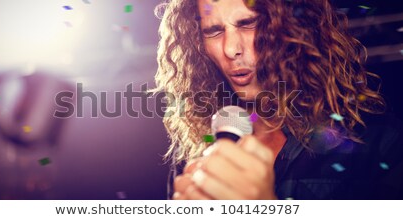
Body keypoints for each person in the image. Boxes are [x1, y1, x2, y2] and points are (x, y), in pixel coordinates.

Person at [154, 0, 403, 200]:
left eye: (248, 23)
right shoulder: (195, 154)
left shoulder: (376, 140)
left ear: (291, 29)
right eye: (214, 30)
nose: (231, 49)